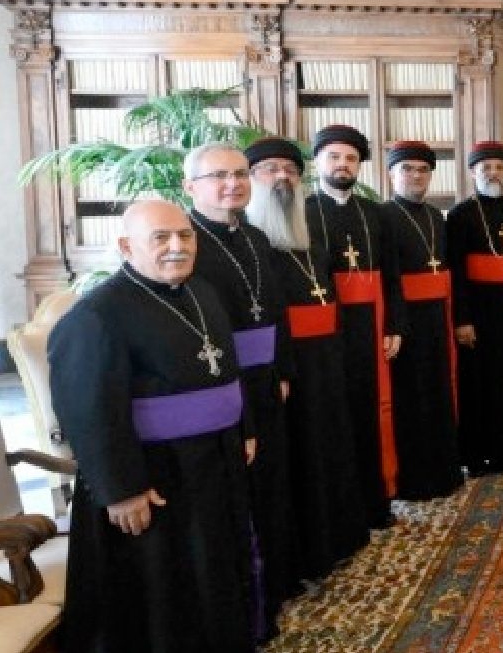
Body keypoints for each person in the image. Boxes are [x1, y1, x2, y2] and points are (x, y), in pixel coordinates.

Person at [50, 200, 255, 653]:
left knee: (216, 568)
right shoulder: (97, 315)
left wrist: (242, 429)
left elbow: (228, 371)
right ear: (126, 246)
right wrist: (121, 489)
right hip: (153, 477)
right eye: (160, 238)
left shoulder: (202, 292)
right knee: (165, 588)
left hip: (214, 459)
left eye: (185, 236)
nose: (177, 247)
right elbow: (86, 411)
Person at [244, 136, 370, 582]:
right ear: (252, 178)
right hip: (287, 368)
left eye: (290, 171)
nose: (282, 177)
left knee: (329, 445)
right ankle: (306, 550)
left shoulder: (306, 234)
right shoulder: (250, 243)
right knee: (300, 456)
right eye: (271, 169)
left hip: (325, 360)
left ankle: (336, 536)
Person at [183, 142, 296, 638]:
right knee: (239, 491)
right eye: (218, 177)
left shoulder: (254, 237)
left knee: (271, 480)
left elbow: (275, 311)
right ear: (191, 187)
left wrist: (283, 367)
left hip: (266, 377)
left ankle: (276, 580)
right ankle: (244, 594)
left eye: (238, 175)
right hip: (220, 385)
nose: (232, 184)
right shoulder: (186, 243)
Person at [306, 124, 404, 530]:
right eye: (334, 157)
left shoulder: (375, 213)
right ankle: (339, 513)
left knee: (369, 416)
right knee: (333, 419)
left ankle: (375, 504)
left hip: (370, 329)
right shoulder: (304, 211)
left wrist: (394, 324)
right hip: (324, 333)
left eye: (350, 158)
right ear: (318, 162)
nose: (343, 165)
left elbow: (391, 273)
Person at [381, 140, 464, 500]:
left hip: (437, 317)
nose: (416, 176)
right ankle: (414, 478)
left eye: (423, 170)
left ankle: (443, 470)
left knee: (439, 392)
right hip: (406, 321)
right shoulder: (382, 216)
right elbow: (387, 277)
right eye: (407, 169)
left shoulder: (436, 215)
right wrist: (395, 325)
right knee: (410, 399)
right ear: (391, 175)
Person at [446, 141, 503, 474]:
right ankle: (476, 454)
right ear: (473, 172)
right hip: (478, 311)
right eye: (486, 168)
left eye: (499, 167)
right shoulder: (460, 214)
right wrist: (463, 319)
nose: (493, 173)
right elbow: (454, 270)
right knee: (478, 383)